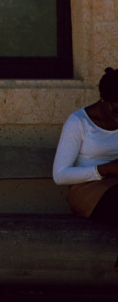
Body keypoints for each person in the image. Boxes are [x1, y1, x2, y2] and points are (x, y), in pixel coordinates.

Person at [52, 67, 118, 225]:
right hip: (88, 190)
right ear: (105, 101)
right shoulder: (79, 122)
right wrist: (105, 169)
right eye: (117, 112)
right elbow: (60, 175)